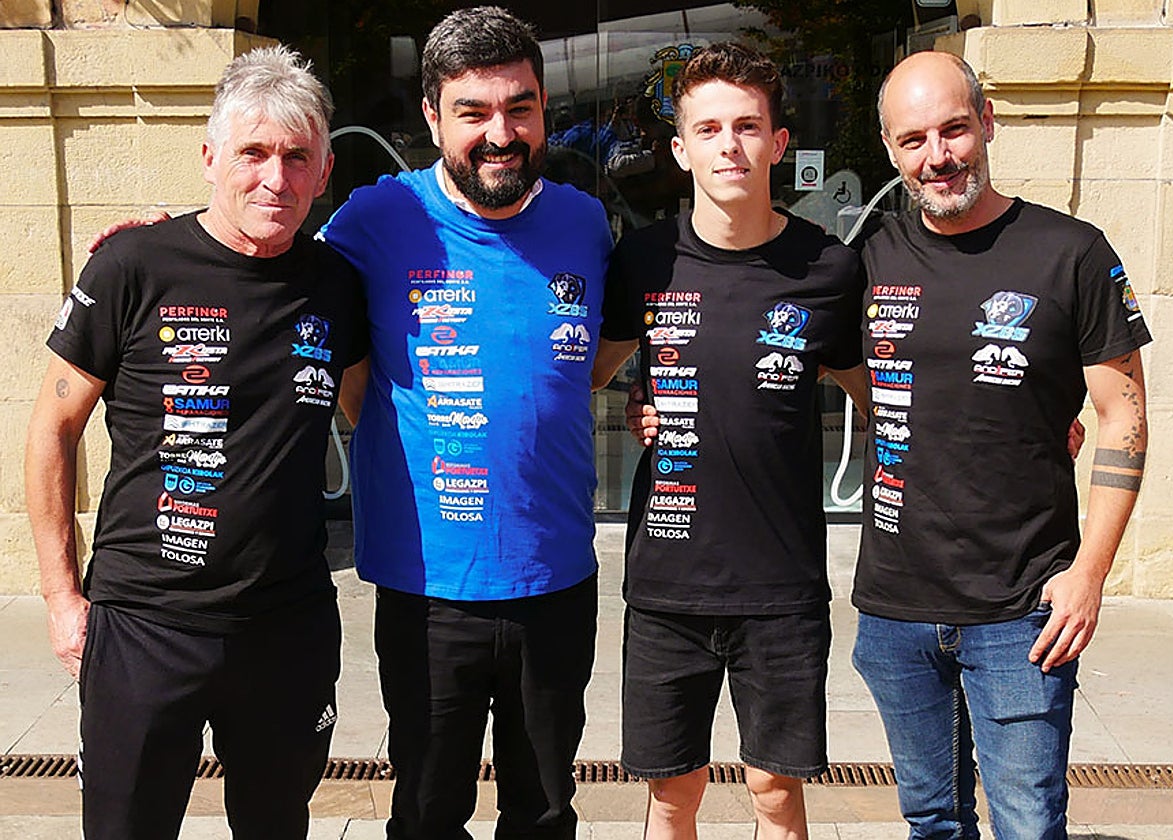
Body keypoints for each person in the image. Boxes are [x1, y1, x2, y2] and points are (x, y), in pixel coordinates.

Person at [25, 45, 367, 840]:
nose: (274, 180)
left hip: (287, 629)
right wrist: (60, 596)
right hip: (145, 626)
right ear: (211, 158)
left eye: (296, 158)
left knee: (276, 826)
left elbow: (380, 412)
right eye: (252, 153)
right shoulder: (133, 265)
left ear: (324, 172)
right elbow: (52, 428)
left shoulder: (337, 283)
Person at [318, 7, 612, 839]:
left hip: (557, 577)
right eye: (474, 112)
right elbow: (275, 284)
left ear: (544, 108)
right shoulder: (377, 220)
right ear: (432, 117)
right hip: (426, 588)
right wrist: (159, 245)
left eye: (518, 108)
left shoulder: (586, 222)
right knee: (425, 810)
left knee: (547, 809)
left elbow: (598, 352)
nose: (500, 134)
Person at [848, 50, 1150, 840]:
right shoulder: (866, 260)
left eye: (953, 129)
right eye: (913, 140)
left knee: (1026, 821)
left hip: (1024, 608)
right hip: (896, 607)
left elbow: (1122, 417)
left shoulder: (1073, 253)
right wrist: (654, 409)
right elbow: (798, 367)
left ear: (987, 123)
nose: (937, 156)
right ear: (890, 151)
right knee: (932, 824)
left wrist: (1089, 577)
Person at [592, 43, 865, 839]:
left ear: (778, 143)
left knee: (776, 794)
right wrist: (640, 397)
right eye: (707, 128)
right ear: (680, 149)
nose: (729, 145)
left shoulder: (829, 267)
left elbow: (884, 397)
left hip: (780, 587)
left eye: (747, 126)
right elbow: (583, 373)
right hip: (667, 583)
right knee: (671, 794)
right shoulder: (642, 261)